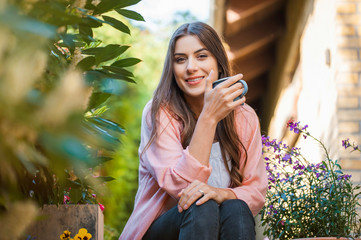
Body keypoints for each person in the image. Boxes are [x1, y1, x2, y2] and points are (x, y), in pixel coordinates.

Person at [119, 21, 267, 240]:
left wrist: (220, 193)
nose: (190, 67)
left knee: (236, 207)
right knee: (201, 206)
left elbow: (255, 193)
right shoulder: (159, 112)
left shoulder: (243, 117)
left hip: (219, 227)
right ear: (173, 68)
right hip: (163, 231)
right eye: (180, 59)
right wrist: (209, 117)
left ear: (218, 63)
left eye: (201, 56)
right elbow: (182, 188)